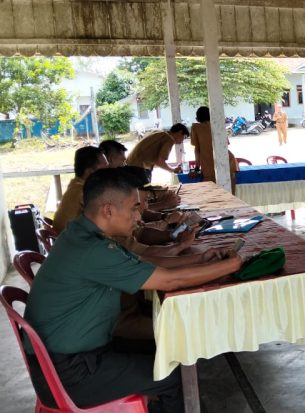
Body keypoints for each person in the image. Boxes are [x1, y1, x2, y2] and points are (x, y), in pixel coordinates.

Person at [24, 168, 242, 412]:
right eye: (134, 208)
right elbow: (169, 281)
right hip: (69, 373)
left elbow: (147, 265)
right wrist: (231, 265)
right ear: (108, 210)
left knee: (166, 351)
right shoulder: (94, 250)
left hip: (68, 358)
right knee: (173, 377)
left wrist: (203, 260)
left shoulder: (83, 234)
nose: (139, 217)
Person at [52, 146, 109, 233]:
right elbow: (108, 226)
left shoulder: (76, 186)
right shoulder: (85, 193)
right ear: (89, 172)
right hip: (74, 243)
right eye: (105, 169)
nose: (110, 172)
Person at [190, 106, 238, 193]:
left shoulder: (196, 128)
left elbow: (197, 150)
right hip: (227, 161)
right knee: (229, 193)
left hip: (208, 164)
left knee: (212, 196)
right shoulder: (218, 125)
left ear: (198, 117)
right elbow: (225, 144)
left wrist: (197, 167)